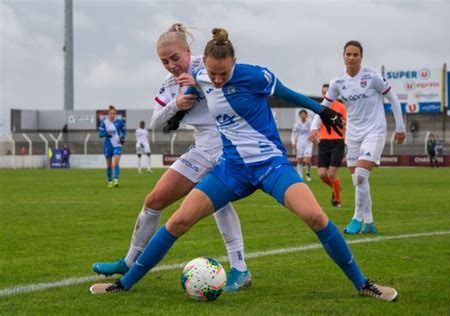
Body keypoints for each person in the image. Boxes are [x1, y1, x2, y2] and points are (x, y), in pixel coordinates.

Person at [90, 28, 398, 302]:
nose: (218, 79)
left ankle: (363, 284)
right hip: (231, 169)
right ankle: (125, 284)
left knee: (315, 216)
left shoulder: (256, 75)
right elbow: (176, 111)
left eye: (224, 73)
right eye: (213, 74)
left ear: (233, 63)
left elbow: (288, 93)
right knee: (178, 221)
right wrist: (176, 110)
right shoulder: (199, 78)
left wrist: (322, 109)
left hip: (270, 165)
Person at [92, 24, 251, 292]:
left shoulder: (207, 65)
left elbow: (234, 83)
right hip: (202, 148)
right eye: (164, 61)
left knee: (219, 203)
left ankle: (240, 268)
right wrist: (176, 104)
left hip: (229, 146)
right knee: (154, 200)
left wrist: (202, 84)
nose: (171, 65)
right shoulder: (168, 85)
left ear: (188, 52)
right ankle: (129, 261)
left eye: (175, 58)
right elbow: (155, 122)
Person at [319, 41, 406, 234]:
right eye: (348, 54)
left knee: (360, 175)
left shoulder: (372, 77)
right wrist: (313, 126)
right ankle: (369, 222)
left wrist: (400, 126)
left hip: (374, 131)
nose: (351, 58)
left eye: (355, 54)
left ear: (361, 57)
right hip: (352, 134)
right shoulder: (337, 82)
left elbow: (393, 98)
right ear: (343, 56)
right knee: (358, 179)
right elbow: (324, 106)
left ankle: (357, 218)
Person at [309, 84, 347, 207]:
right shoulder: (320, 107)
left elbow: (346, 122)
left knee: (331, 174)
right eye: (323, 92)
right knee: (321, 174)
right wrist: (315, 135)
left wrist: (337, 121)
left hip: (337, 141)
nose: (325, 94)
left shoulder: (340, 106)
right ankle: (336, 186)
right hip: (324, 142)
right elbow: (315, 123)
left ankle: (337, 199)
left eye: (327, 92)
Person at [98, 105, 126, 188]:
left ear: (116, 114)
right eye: (111, 113)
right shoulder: (104, 123)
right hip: (108, 145)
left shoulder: (119, 122)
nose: (112, 115)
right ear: (108, 114)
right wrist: (107, 134)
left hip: (117, 144)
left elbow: (124, 132)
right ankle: (110, 181)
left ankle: (116, 180)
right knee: (109, 165)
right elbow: (100, 134)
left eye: (114, 113)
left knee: (116, 162)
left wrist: (123, 137)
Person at [291, 109, 313, 181]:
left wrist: (313, 138)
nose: (303, 116)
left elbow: (314, 132)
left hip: (308, 143)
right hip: (300, 143)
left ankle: (308, 172)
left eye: (304, 114)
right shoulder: (297, 125)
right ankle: (299, 175)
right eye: (302, 114)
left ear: (306, 115)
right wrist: (293, 142)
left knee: (307, 160)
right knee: (299, 160)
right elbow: (293, 134)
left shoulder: (310, 124)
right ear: (300, 116)